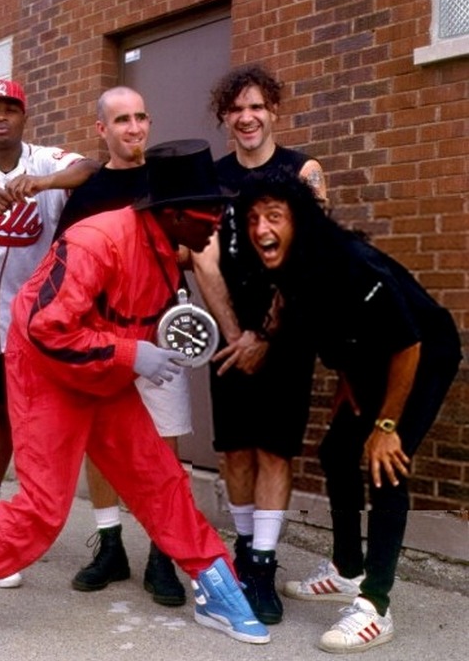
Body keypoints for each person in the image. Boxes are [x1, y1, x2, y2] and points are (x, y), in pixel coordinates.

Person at [0, 139, 270, 647]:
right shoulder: (97, 239)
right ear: (174, 212)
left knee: (160, 479)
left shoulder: (166, 249)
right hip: (47, 374)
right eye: (209, 211)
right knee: (43, 509)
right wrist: (131, 355)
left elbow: (126, 315)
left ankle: (216, 585)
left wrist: (148, 347)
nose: (217, 221)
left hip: (103, 375)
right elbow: (44, 327)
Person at [233, 170, 461, 653]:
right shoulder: (291, 269)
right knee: (338, 452)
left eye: (274, 216)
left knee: (386, 466)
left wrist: (385, 426)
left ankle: (376, 606)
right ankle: (346, 570)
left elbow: (407, 344)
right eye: (252, 218)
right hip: (373, 361)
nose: (260, 228)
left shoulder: (347, 264)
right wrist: (347, 381)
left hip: (423, 354)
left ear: (300, 220)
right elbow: (339, 329)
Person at [191, 62, 327, 625]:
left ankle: (265, 565)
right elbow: (203, 256)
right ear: (226, 116)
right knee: (235, 449)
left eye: (257, 107)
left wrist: (267, 335)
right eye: (236, 109)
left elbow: (309, 256)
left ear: (273, 111)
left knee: (275, 449)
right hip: (229, 337)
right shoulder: (211, 179)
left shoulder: (302, 173)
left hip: (286, 336)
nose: (247, 118)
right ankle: (245, 555)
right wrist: (234, 334)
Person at [0, 79, 98, 587]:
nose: (1, 117)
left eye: (10, 108)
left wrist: (43, 184)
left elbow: (90, 167)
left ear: (23, 116)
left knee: (9, 413)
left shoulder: (45, 159)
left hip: (21, 317)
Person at [57, 86, 190, 607]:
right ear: (101, 130)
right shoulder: (87, 194)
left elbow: (192, 245)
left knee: (167, 443)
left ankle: (164, 552)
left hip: (163, 329)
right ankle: (111, 545)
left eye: (140, 118)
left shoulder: (172, 180)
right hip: (105, 336)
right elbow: (69, 268)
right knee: (102, 441)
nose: (133, 128)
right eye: (121, 120)